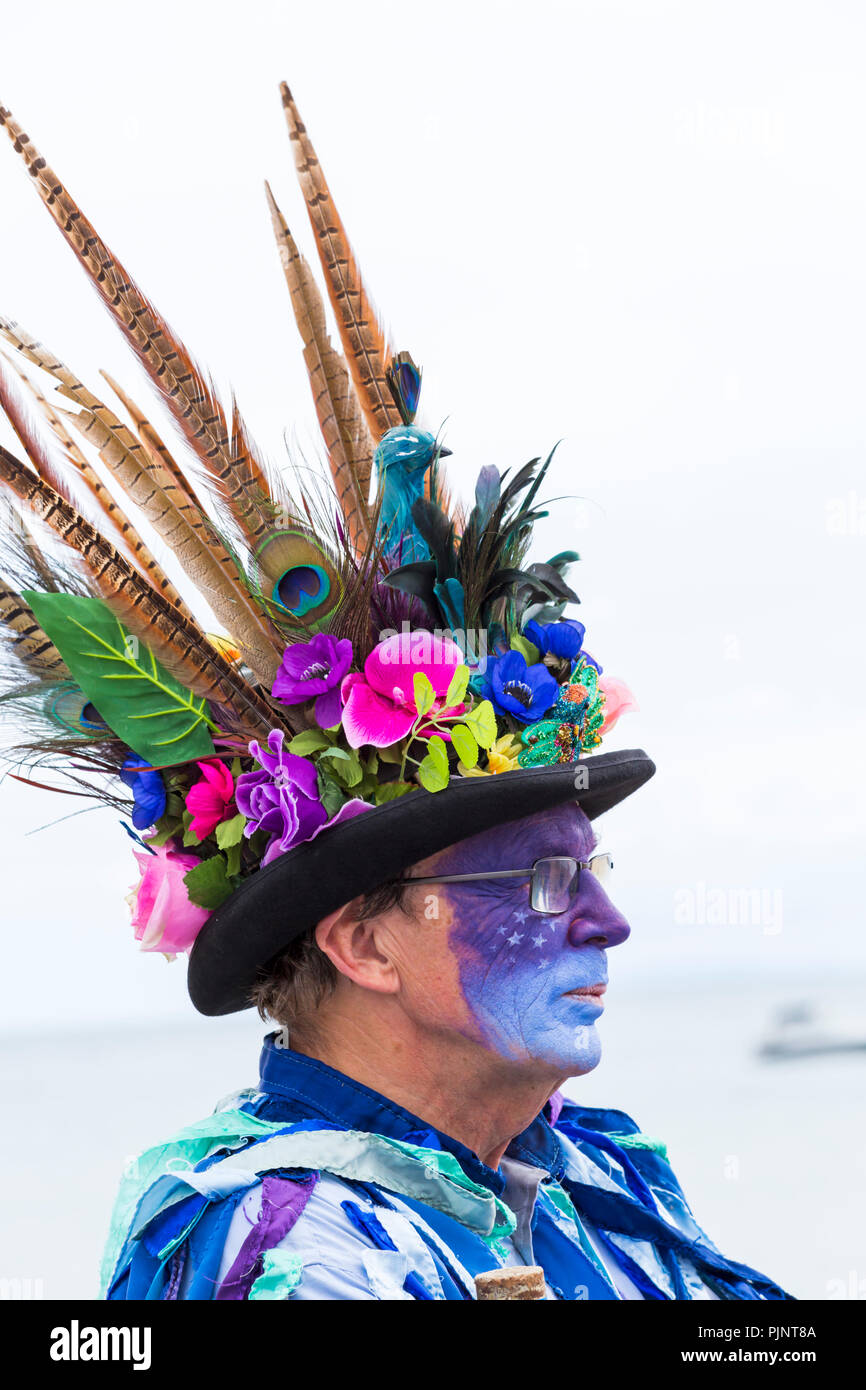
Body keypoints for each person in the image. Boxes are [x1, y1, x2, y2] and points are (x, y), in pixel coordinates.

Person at [0, 85, 791, 1301]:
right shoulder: (281, 1251)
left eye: (590, 870)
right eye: (544, 879)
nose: (606, 922)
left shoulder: (592, 1179)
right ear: (363, 940)